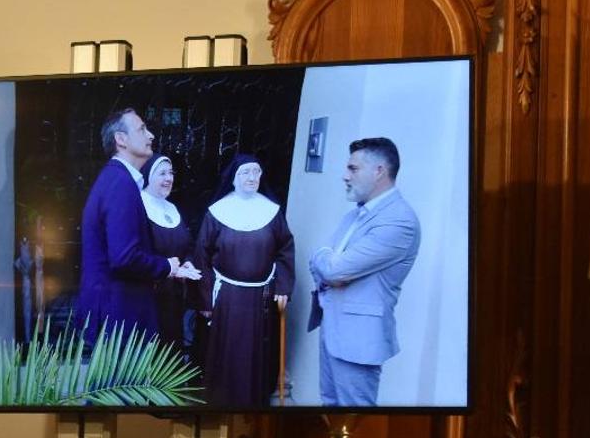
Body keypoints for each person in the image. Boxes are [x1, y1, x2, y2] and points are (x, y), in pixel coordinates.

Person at [307, 137, 419, 407]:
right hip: (333, 330)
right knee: (330, 409)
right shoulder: (355, 215)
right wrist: (327, 260)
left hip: (358, 341)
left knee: (355, 420)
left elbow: (332, 268)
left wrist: (326, 259)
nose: (345, 176)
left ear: (379, 171)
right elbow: (324, 262)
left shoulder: (399, 220)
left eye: (353, 168)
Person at [74, 109, 199, 346]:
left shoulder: (116, 179)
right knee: (123, 384)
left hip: (116, 312)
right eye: (142, 129)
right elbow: (124, 257)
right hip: (118, 315)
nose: (150, 135)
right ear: (121, 139)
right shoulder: (121, 183)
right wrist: (166, 266)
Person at [194, 154, 294, 407]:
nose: (252, 178)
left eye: (256, 172)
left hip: (261, 296)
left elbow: (285, 250)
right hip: (227, 295)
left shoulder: (272, 212)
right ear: (234, 178)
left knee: (255, 352)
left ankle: (254, 400)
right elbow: (202, 257)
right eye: (246, 173)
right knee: (228, 350)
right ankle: (222, 401)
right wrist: (205, 299)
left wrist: (283, 287)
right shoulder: (217, 212)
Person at [139, 153, 196, 357]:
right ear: (148, 175)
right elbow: (135, 254)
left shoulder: (172, 208)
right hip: (146, 296)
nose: (168, 178)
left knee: (170, 353)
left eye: (171, 173)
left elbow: (187, 247)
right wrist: (169, 269)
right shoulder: (137, 206)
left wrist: (188, 263)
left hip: (173, 297)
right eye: (162, 173)